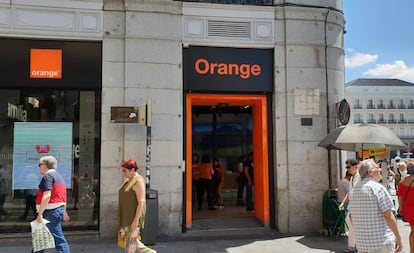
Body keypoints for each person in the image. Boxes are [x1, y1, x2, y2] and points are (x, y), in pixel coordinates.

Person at [348, 159, 402, 253]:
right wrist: (398, 237)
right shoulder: (377, 188)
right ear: (370, 172)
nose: (380, 169)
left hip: (362, 244)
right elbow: (388, 215)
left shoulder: (354, 190)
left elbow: (351, 216)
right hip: (381, 242)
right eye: (377, 167)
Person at [118, 159, 156, 253]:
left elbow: (141, 202)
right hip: (126, 219)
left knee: (131, 246)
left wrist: (135, 221)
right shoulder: (129, 180)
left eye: (125, 171)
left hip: (132, 218)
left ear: (132, 170)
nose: (123, 173)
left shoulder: (138, 181)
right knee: (133, 245)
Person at [35, 155, 71, 253]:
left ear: (45, 165)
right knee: (41, 239)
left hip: (50, 212)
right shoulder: (59, 176)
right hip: (56, 210)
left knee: (58, 240)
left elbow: (47, 195)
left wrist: (40, 214)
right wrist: (64, 211)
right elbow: (63, 196)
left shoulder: (48, 177)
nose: (39, 167)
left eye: (40, 165)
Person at [339, 159, 359, 253]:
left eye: (349, 167)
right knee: (352, 227)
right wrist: (343, 202)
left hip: (357, 206)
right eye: (347, 167)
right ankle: (352, 246)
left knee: (357, 227)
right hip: (352, 206)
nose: (347, 169)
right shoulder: (351, 178)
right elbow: (349, 192)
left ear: (355, 166)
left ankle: (356, 246)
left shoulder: (359, 177)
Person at [397, 161, 414, 253]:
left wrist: (401, 208)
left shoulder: (403, 181)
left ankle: (412, 250)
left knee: (413, 230)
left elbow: (400, 196)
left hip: (408, 209)